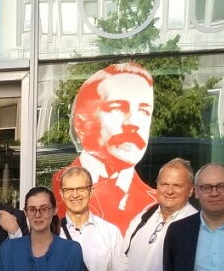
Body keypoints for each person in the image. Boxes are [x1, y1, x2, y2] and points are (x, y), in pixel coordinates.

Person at [52, 62, 157, 230]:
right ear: (80, 124)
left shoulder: (157, 203)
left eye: (144, 111)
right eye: (118, 108)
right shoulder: (54, 190)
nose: (134, 123)